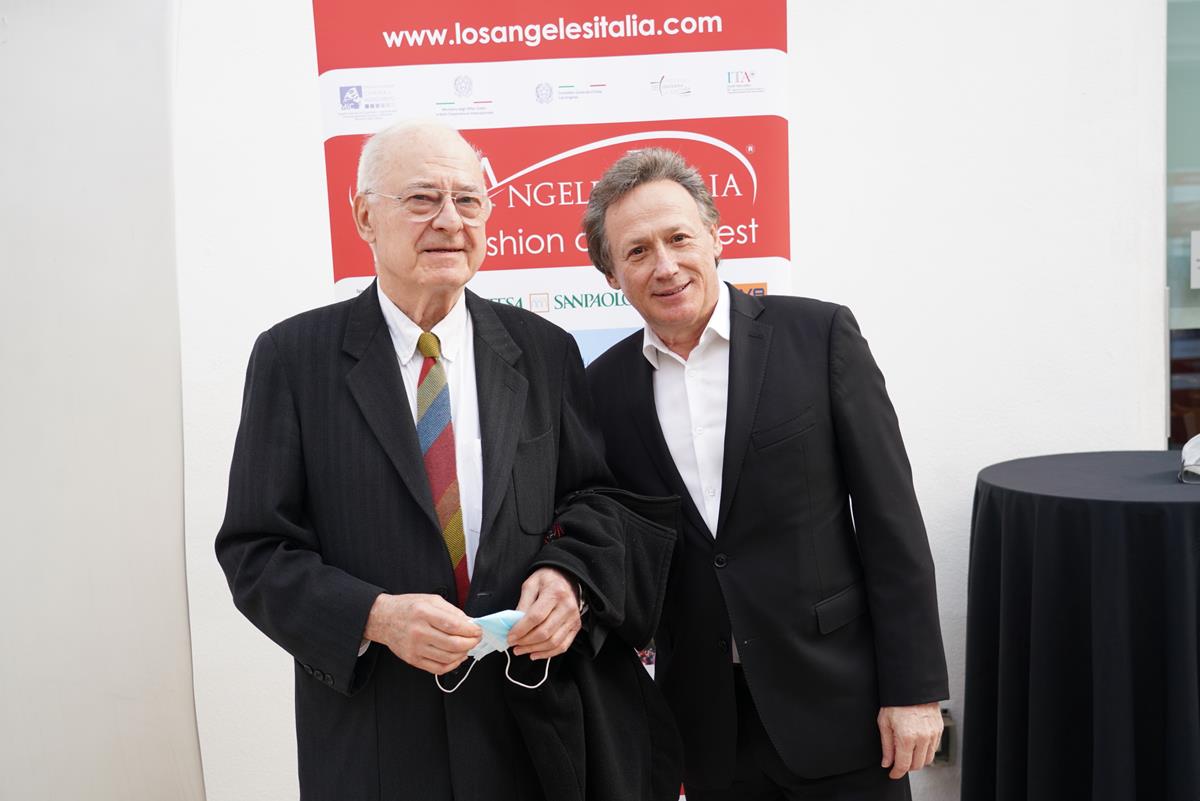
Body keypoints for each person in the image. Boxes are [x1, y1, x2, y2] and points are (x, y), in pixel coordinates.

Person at [215, 121, 680, 801]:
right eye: (422, 199)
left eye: (468, 200)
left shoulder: (544, 350)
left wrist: (569, 578)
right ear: (364, 216)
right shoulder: (293, 359)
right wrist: (375, 616)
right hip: (378, 741)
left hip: (531, 730)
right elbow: (255, 550)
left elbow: (592, 500)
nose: (450, 221)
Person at [583, 148, 949, 801]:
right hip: (708, 731)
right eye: (637, 251)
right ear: (612, 274)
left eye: (678, 238)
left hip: (841, 707)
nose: (665, 265)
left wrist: (915, 689)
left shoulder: (819, 336)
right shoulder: (601, 390)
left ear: (715, 237)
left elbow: (890, 518)